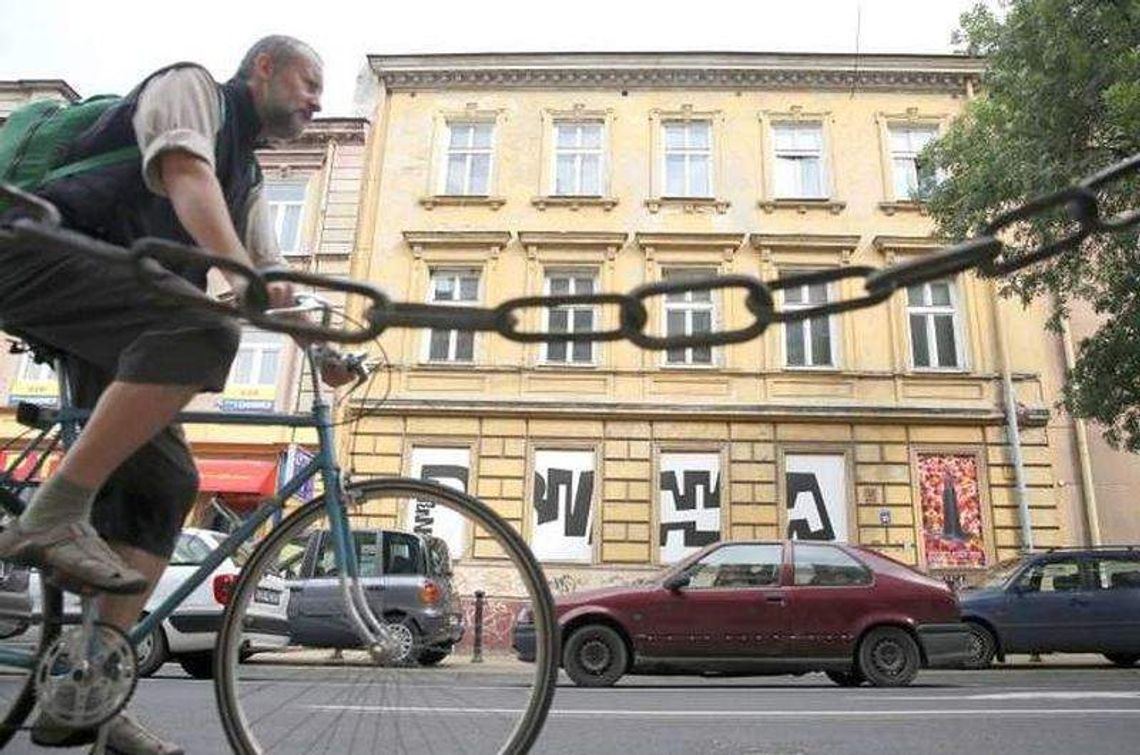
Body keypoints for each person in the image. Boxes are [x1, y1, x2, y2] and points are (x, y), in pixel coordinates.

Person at [0, 35, 350, 754]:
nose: (317, 101)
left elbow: (273, 280)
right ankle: (54, 510)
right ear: (264, 68)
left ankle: (85, 687)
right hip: (31, 249)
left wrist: (325, 346)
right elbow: (186, 177)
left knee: (166, 484)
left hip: (108, 306)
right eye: (309, 83)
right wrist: (237, 284)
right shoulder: (191, 90)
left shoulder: (246, 177)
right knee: (204, 325)